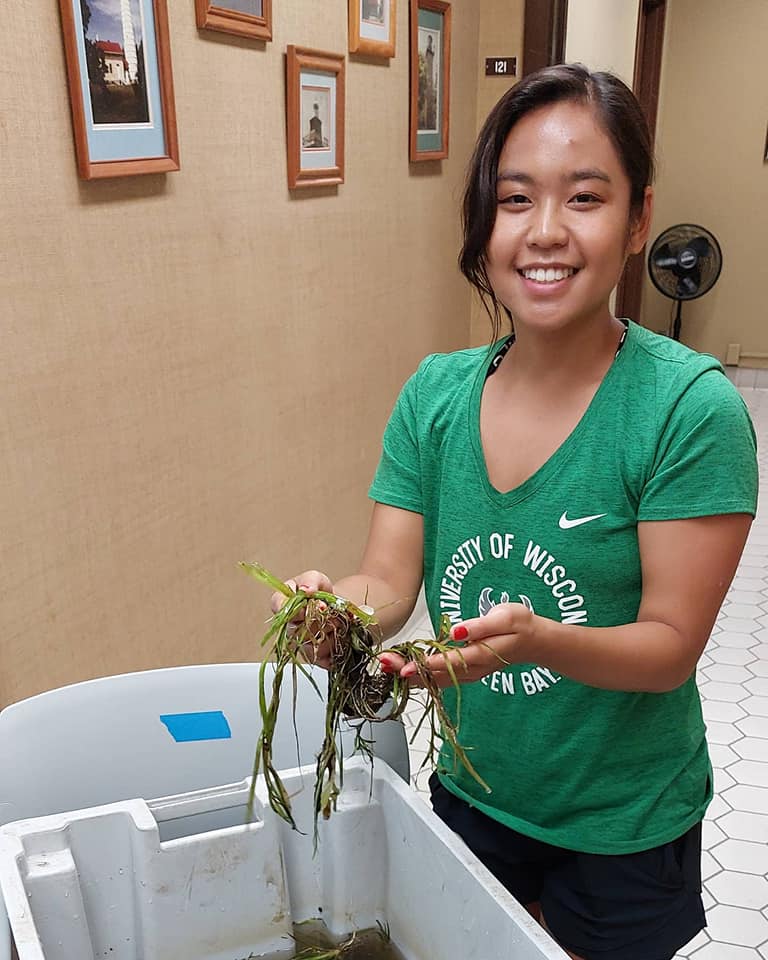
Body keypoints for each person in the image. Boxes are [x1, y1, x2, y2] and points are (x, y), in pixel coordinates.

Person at [272, 64, 758, 960]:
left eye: (583, 198)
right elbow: (386, 578)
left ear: (639, 217)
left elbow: (668, 648)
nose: (544, 233)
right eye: (513, 199)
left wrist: (538, 641)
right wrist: (334, 612)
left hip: (623, 820)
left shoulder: (689, 410)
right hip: (475, 789)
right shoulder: (436, 395)